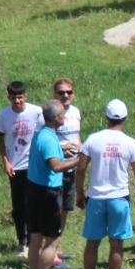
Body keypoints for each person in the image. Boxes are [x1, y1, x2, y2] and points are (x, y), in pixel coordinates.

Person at [76, 99, 135, 269]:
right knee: (116, 244)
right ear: (125, 118)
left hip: (96, 197)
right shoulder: (129, 142)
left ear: (106, 116)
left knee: (92, 243)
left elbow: (81, 169)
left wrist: (79, 193)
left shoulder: (93, 139)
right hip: (119, 198)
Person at [24, 100, 77, 269]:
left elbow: (48, 157)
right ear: (56, 117)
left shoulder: (42, 135)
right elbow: (55, 166)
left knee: (36, 239)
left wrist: (62, 150)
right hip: (47, 193)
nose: (65, 116)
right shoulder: (48, 139)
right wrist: (80, 161)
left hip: (32, 190)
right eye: (63, 113)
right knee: (52, 241)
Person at [0, 82, 43, 256]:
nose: (17, 101)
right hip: (15, 166)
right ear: (9, 98)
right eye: (13, 98)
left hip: (34, 165)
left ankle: (32, 240)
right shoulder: (4, 115)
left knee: (33, 203)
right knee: (18, 205)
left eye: (20, 97)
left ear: (25, 96)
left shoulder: (36, 112)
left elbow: (45, 133)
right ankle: (21, 241)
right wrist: (5, 161)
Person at [52, 78, 83, 220]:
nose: (65, 95)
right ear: (55, 94)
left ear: (73, 93)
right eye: (61, 92)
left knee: (66, 207)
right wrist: (61, 149)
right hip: (55, 168)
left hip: (72, 167)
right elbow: (42, 140)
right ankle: (48, 239)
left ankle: (57, 240)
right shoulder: (49, 113)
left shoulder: (76, 112)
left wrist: (81, 148)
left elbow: (76, 135)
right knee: (53, 208)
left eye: (69, 92)